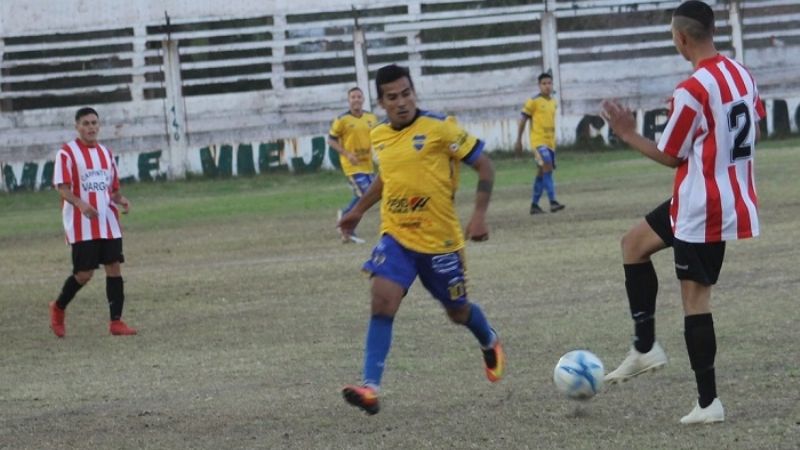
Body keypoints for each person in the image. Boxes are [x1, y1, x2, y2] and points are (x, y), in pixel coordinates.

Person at [600, 0, 764, 425]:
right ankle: (644, 347)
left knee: (695, 301)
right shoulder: (740, 73)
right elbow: (753, 128)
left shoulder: (691, 90)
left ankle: (708, 404)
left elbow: (671, 155)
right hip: (705, 199)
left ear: (681, 38)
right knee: (633, 244)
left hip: (702, 209)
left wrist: (626, 133)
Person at [337, 64, 505, 415]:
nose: (402, 102)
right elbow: (387, 178)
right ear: (381, 103)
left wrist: (478, 216)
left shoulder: (441, 129)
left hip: (441, 243)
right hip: (397, 237)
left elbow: (485, 166)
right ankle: (370, 387)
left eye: (407, 93)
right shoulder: (379, 135)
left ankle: (489, 340)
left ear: (415, 93)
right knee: (382, 301)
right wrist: (358, 211)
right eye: (393, 97)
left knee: (458, 312)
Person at [49, 107, 138, 337]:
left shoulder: (106, 154)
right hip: (82, 225)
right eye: (86, 123)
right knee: (84, 274)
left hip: (107, 222)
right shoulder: (67, 153)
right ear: (77, 126)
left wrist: (121, 200)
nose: (91, 127)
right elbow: (62, 188)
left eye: (94, 123)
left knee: (114, 268)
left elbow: (112, 189)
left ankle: (116, 322)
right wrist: (80, 204)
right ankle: (58, 308)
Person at [328, 87, 378, 244]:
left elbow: (377, 138)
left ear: (363, 99)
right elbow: (331, 140)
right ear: (349, 100)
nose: (356, 99)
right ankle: (347, 228)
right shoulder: (342, 119)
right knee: (364, 194)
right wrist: (347, 154)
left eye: (358, 96)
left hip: (368, 165)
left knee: (366, 196)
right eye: (353, 97)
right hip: (352, 166)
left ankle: (345, 217)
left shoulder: (371, 118)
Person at [514, 72, 565, 214]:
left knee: (542, 172)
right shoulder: (533, 101)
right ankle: (553, 201)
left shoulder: (553, 102)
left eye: (549, 83)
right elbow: (523, 120)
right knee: (547, 166)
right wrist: (519, 140)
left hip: (550, 143)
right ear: (539, 85)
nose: (547, 86)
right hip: (538, 142)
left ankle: (534, 205)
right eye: (544, 84)